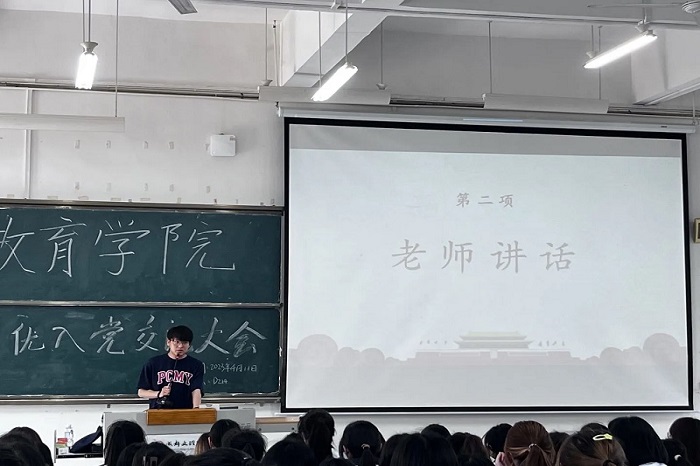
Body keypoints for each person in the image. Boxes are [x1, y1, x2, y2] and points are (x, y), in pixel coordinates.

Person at [137, 325, 205, 409]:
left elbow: (196, 390)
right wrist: (159, 393)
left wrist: (196, 409)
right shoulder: (153, 363)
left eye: (184, 342)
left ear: (189, 345)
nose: (180, 346)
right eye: (176, 342)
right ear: (168, 342)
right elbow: (141, 392)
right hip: (158, 411)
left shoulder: (196, 365)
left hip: (185, 411)